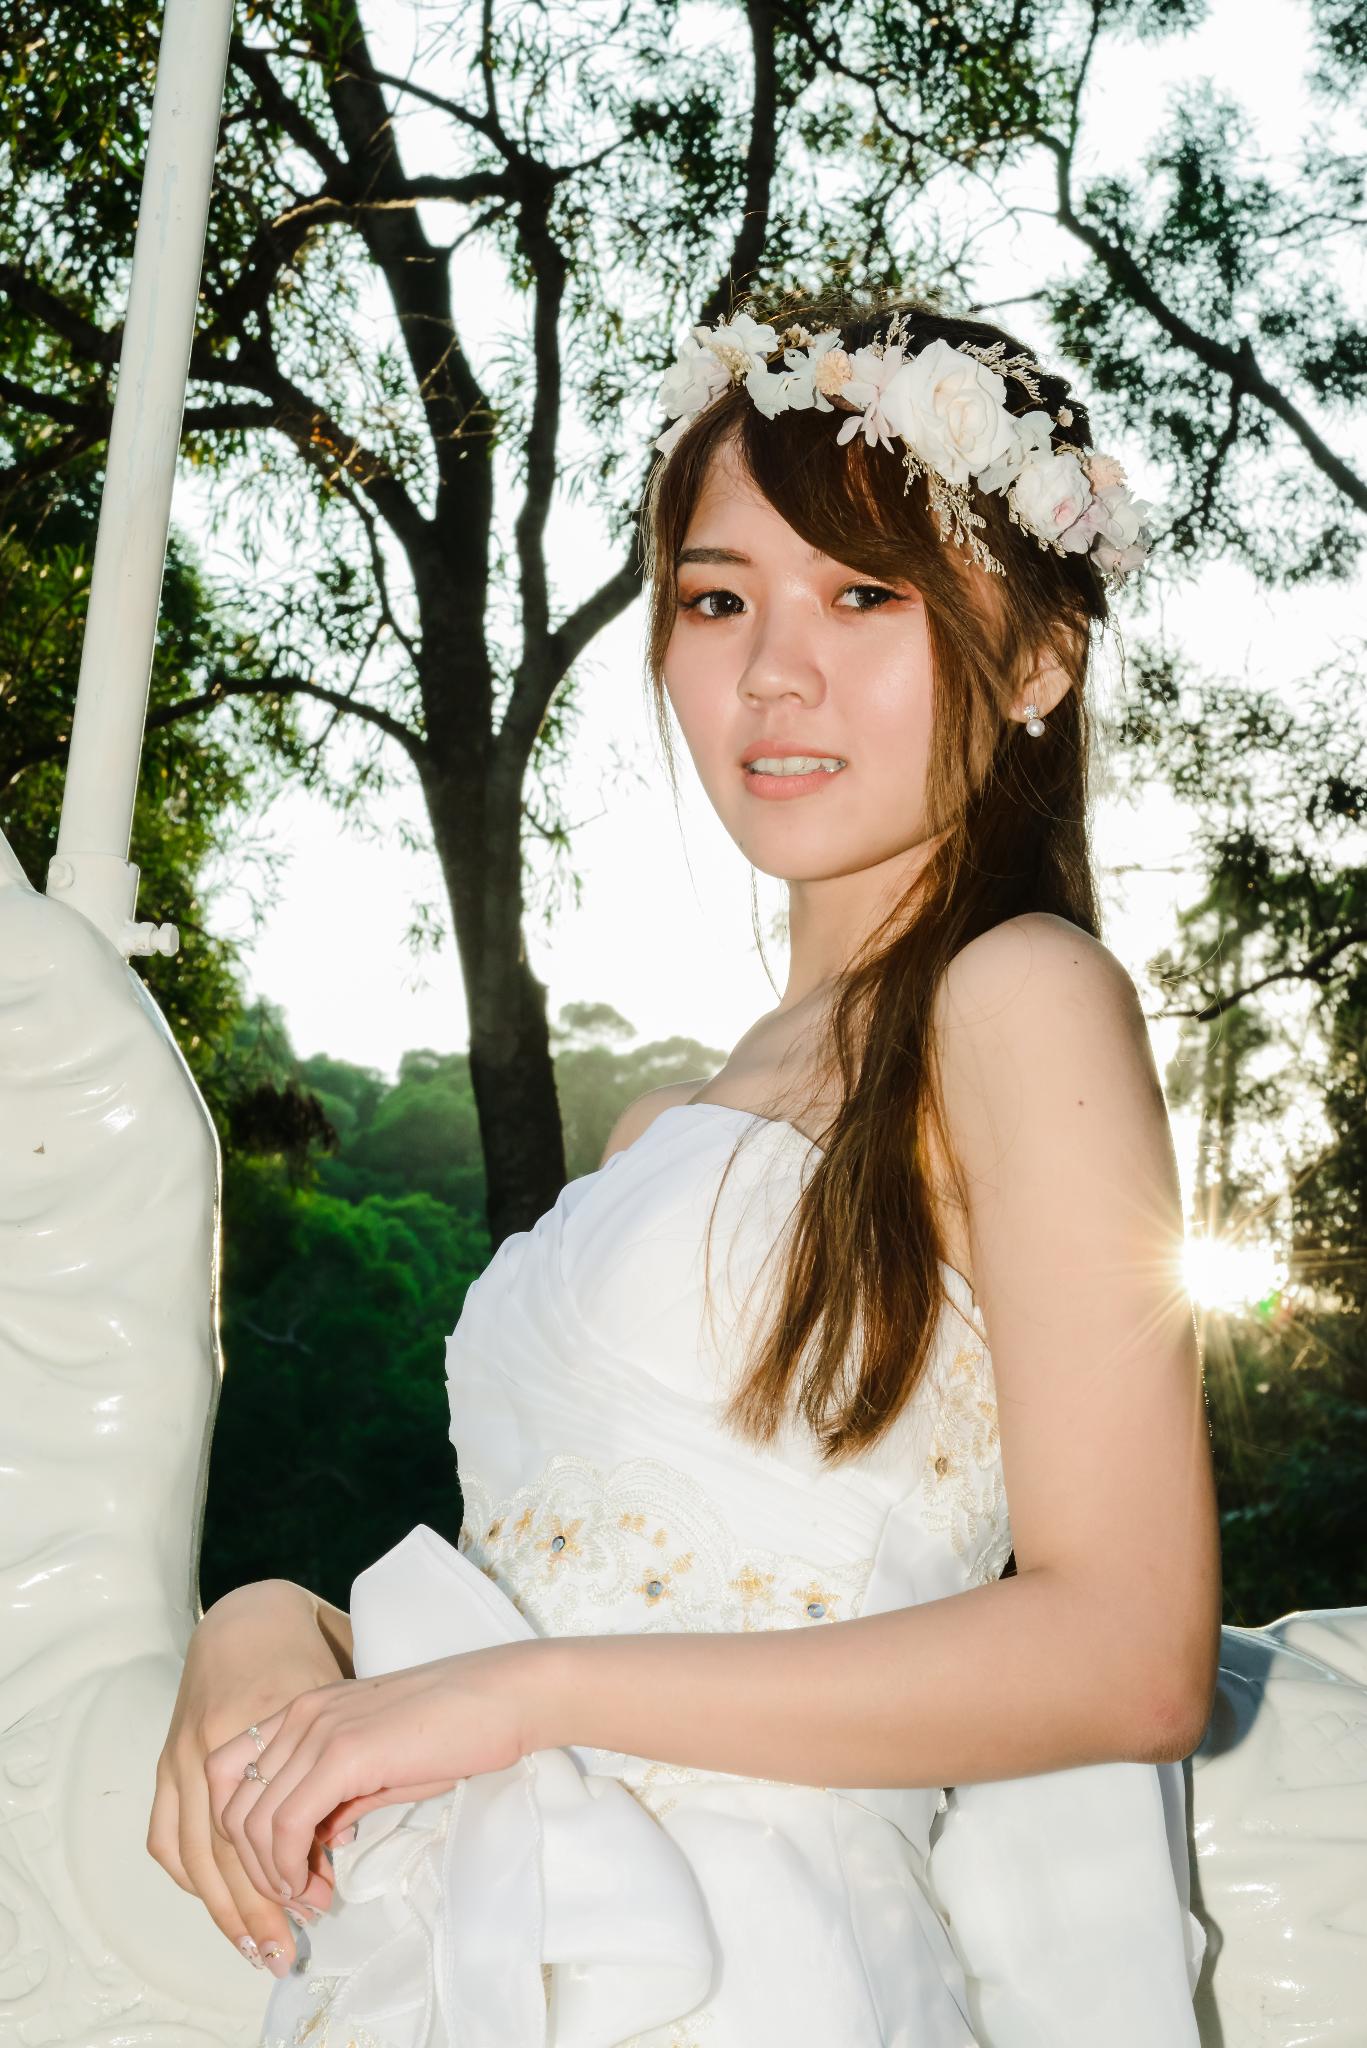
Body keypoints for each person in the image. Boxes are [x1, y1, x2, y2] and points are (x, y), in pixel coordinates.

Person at [148, 291, 1222, 2047]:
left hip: (759, 1959)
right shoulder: (662, 1126)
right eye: (719, 599)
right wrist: (272, 1625)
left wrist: (526, 1699)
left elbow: (1131, 1652)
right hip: (466, 1943)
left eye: (864, 595)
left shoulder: (1020, 999)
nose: (773, 671)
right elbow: (561, 1578)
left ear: (1036, 657)